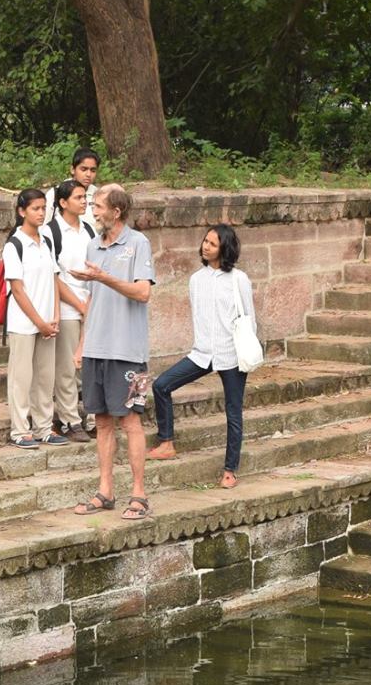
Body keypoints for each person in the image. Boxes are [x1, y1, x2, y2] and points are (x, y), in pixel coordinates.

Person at [71, 185, 157, 521]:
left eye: (98, 206)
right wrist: (82, 343)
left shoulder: (138, 244)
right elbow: (91, 298)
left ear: (116, 212)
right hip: (96, 350)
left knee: (131, 421)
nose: (93, 210)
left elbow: (142, 293)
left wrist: (104, 276)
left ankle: (139, 494)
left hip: (129, 352)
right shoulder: (93, 244)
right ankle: (105, 491)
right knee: (102, 421)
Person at [151, 224, 255, 489]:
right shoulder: (196, 279)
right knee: (161, 385)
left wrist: (245, 351)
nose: (205, 246)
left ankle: (230, 470)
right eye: (205, 241)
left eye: (212, 243)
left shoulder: (238, 279)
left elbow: (248, 319)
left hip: (231, 355)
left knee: (233, 412)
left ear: (225, 248)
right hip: (202, 354)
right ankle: (166, 442)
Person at [2, 187, 65, 449]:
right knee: (21, 377)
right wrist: (39, 321)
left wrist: (55, 316)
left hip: (47, 321)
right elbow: (17, 290)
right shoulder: (14, 244)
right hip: (24, 322)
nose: (41, 213)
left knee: (45, 377)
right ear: (22, 211)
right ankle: (20, 430)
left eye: (43, 208)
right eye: (35, 209)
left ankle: (43, 427)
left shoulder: (46, 241)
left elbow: (54, 278)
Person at [44, 179, 97, 442]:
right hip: (66, 306)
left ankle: (91, 417)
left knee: (88, 366)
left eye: (85, 196)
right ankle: (69, 420)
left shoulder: (88, 229)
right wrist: (78, 304)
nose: (84, 201)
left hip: (90, 303)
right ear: (63, 202)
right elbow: (54, 275)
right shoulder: (51, 232)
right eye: (78, 197)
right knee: (66, 367)